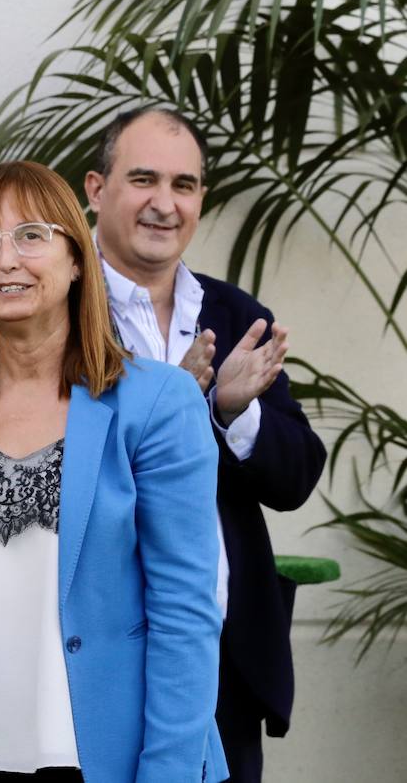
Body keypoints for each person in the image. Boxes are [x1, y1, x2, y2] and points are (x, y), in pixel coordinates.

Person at [0, 160, 228, 783]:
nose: (6, 259)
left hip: (95, 759)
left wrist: (168, 773)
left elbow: (185, 616)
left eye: (31, 235)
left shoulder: (156, 403)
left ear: (78, 258)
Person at [83, 107, 327, 783]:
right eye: (143, 180)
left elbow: (296, 476)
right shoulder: (53, 306)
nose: (165, 204)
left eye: (184, 185)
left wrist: (231, 413)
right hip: (87, 653)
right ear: (97, 189)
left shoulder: (236, 314)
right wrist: (173, 407)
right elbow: (40, 462)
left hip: (221, 660)